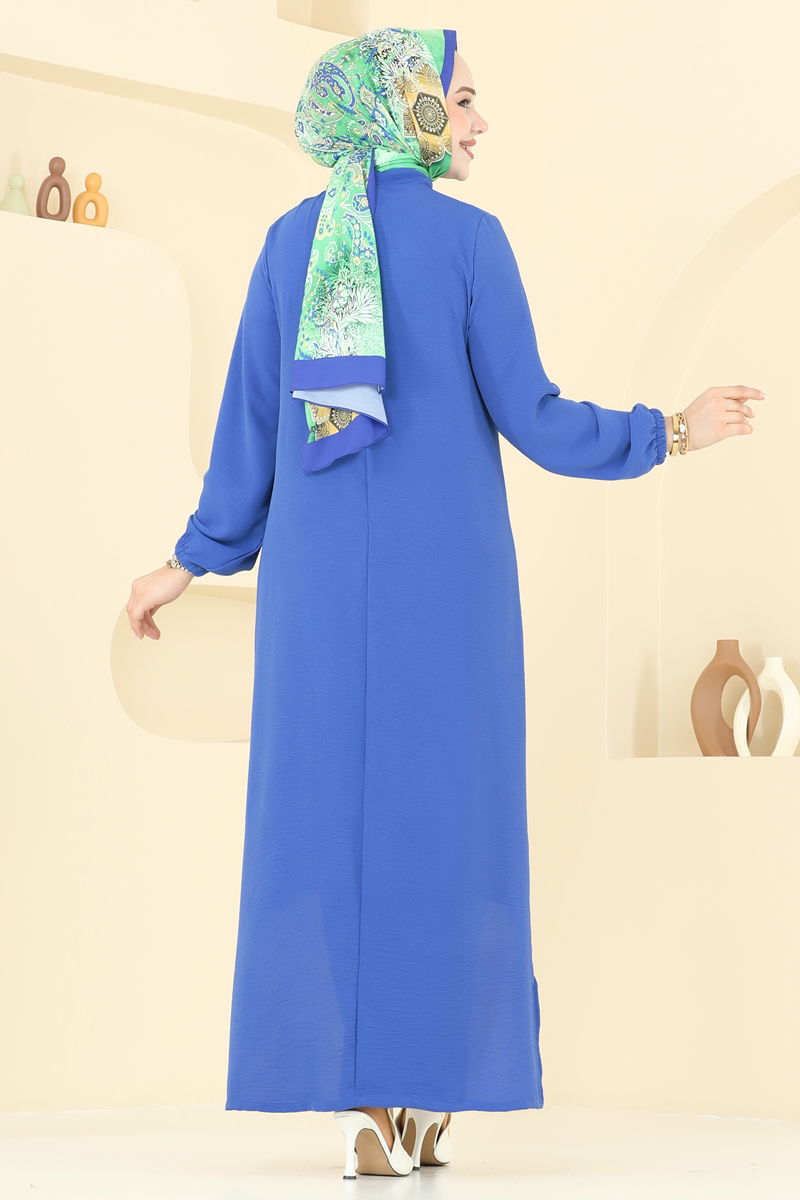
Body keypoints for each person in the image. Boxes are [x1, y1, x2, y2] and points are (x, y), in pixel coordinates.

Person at [126, 26, 764, 1179]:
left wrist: (189, 560)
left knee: (323, 821)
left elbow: (249, 436)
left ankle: (360, 1102)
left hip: (317, 590)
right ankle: (421, 1091)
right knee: (445, 822)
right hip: (448, 585)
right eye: (460, 99)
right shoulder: (469, 241)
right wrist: (670, 431)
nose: (477, 122)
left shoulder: (290, 243)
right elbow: (535, 418)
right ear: (405, 110)